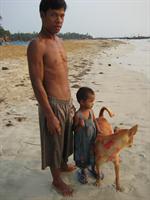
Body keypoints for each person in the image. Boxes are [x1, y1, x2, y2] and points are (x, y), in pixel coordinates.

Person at [27, 0, 75, 197]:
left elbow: (62, 73)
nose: (59, 20)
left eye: (62, 15)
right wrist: (49, 114)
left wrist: (72, 104)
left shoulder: (60, 41)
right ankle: (56, 180)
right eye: (54, 15)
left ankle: (63, 165)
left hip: (67, 102)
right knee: (53, 142)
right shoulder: (37, 45)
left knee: (64, 141)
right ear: (42, 15)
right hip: (52, 103)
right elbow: (37, 82)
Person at [73, 87, 103, 184]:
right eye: (90, 101)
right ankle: (82, 171)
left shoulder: (90, 111)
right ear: (82, 102)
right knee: (83, 156)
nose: (92, 103)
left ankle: (93, 168)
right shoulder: (78, 115)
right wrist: (79, 125)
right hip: (82, 142)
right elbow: (73, 129)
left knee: (93, 154)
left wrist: (98, 130)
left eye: (93, 101)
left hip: (91, 139)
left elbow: (94, 121)